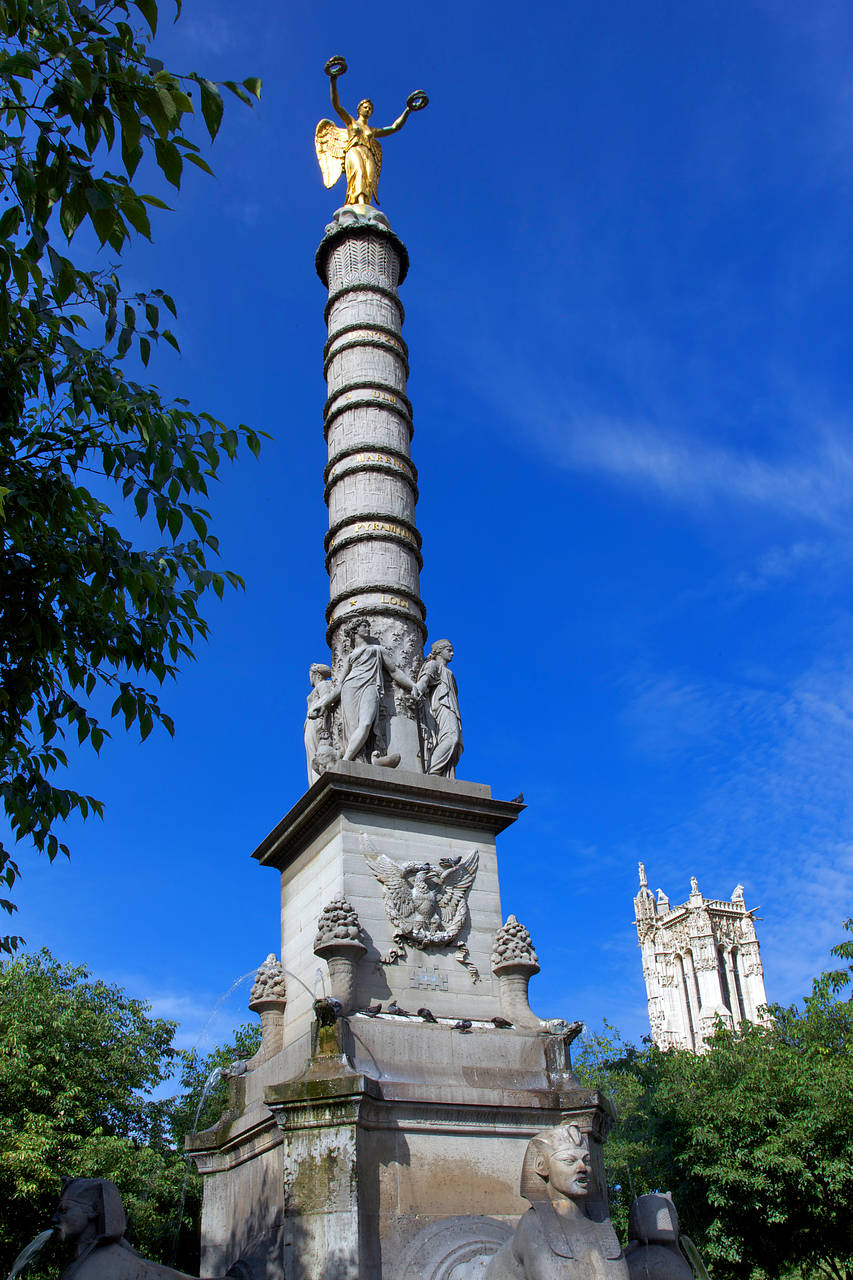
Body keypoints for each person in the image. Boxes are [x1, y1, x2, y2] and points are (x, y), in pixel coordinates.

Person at [50, 1178, 278, 1279]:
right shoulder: (97, 1259)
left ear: (92, 1212)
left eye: (64, 1210)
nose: (54, 1218)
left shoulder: (103, 1263)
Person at [484, 1127, 629, 1280]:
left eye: (586, 1161)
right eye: (569, 1161)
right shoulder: (533, 1223)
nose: (582, 1168)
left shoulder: (600, 1221)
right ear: (541, 1166)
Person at [314, 56, 428, 207]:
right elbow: (336, 104)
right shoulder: (350, 122)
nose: (367, 109)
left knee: (368, 179)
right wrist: (333, 79)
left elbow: (395, 127)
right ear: (359, 109)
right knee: (359, 173)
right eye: (365, 107)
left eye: (370, 108)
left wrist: (408, 110)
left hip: (368, 152)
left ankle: (365, 205)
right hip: (353, 150)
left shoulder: (372, 131)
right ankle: (358, 203)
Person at [310, 619, 419, 764]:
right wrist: (324, 703)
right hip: (350, 689)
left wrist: (413, 686)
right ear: (355, 631)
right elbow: (339, 686)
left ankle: (346, 760)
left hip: (370, 685)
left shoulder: (377, 650)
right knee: (352, 728)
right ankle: (359, 760)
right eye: (364, 626)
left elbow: (394, 671)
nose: (368, 628)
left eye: (368, 626)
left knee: (366, 723)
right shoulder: (350, 657)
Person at [416, 639, 463, 777]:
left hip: (451, 707)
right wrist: (417, 690)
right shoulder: (433, 664)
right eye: (449, 650)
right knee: (451, 737)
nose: (452, 653)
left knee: (454, 741)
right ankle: (434, 771)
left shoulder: (448, 672)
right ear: (439, 651)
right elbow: (424, 680)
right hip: (443, 705)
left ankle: (440, 772)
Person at [304, 662, 335, 784]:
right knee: (311, 754)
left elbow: (327, 698)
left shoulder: (324, 684)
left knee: (317, 755)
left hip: (318, 722)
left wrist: (315, 708)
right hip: (311, 723)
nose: (310, 677)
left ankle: (318, 781)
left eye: (310, 674)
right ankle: (314, 783)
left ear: (316, 674)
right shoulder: (319, 687)